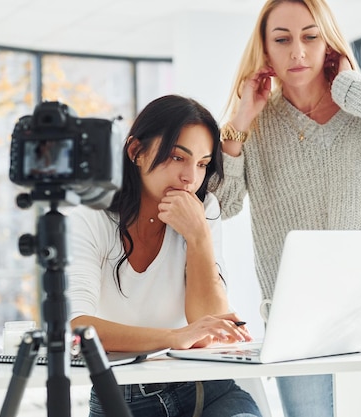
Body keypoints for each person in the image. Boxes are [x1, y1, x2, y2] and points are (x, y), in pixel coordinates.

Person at [211, 1, 361, 417]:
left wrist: (351, 85)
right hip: (296, 327)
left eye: (310, 36)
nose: (297, 51)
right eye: (282, 39)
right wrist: (239, 121)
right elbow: (220, 205)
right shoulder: (256, 128)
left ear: (328, 44)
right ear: (265, 50)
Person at [66, 94, 263, 417]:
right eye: (177, 157)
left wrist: (198, 237)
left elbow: (209, 322)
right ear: (136, 152)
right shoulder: (90, 218)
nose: (191, 178)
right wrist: (174, 338)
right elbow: (78, 328)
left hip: (208, 390)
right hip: (122, 398)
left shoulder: (204, 210)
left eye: (201, 164)